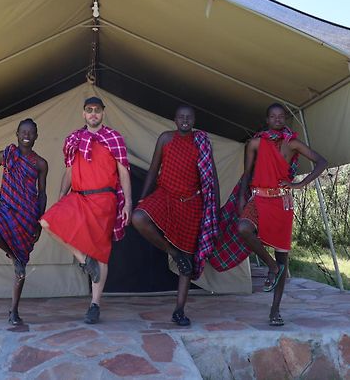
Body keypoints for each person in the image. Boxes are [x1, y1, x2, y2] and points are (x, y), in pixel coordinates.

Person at [40, 96, 132, 324]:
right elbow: (69, 171)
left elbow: (124, 172)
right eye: (89, 110)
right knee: (47, 222)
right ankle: (84, 261)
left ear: (103, 113)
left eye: (97, 110)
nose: (93, 114)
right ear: (83, 113)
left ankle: (94, 304)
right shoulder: (74, 139)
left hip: (104, 200)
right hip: (79, 197)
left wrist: (128, 202)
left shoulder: (114, 138)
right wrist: (62, 196)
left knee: (101, 252)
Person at [237, 103, 327, 326]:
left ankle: (275, 311)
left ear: (285, 119)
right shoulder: (255, 143)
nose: (277, 120)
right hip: (258, 197)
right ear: (267, 120)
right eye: (273, 116)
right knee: (243, 228)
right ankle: (272, 267)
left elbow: (322, 161)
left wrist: (300, 183)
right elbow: (247, 173)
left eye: (281, 116)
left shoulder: (292, 143)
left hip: (281, 201)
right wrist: (240, 197)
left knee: (282, 255)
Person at [132, 105, 220, 326]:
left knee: (188, 258)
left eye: (189, 118)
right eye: (181, 117)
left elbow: (212, 177)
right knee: (138, 218)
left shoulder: (201, 143)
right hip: (166, 195)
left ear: (194, 120)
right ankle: (173, 253)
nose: (185, 121)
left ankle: (179, 310)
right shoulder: (165, 139)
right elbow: (153, 170)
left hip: (192, 203)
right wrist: (142, 198)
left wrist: (214, 207)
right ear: (174, 119)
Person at [0, 118, 48, 326]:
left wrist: (39, 221)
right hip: (6, 207)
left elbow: (42, 195)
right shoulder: (5, 155)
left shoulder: (40, 163)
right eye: (23, 132)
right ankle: (11, 253)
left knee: (21, 266)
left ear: (36, 136)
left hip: (28, 216)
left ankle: (14, 311)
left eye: (31, 132)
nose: (27, 135)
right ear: (17, 134)